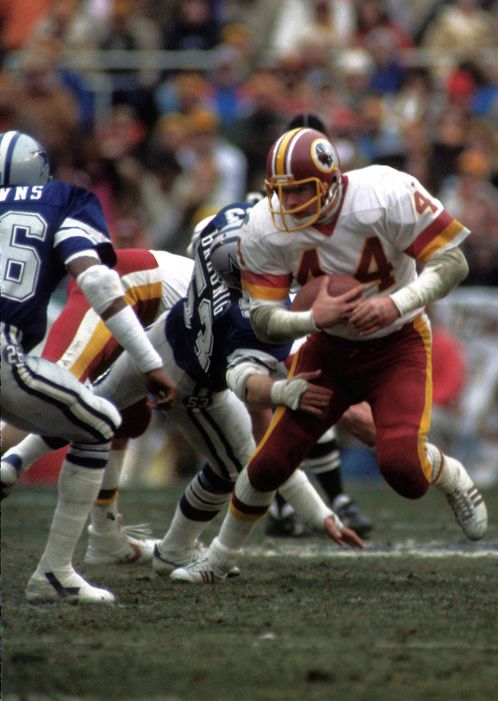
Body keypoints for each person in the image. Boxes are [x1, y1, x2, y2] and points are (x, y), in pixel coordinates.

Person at [171, 125, 488, 584]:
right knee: (270, 463)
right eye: (282, 192)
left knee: (403, 471)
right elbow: (262, 319)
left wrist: (393, 304)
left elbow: (454, 262)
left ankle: (449, 473)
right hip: (328, 351)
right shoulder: (265, 224)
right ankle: (218, 561)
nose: (290, 203)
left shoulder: (384, 192)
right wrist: (311, 320)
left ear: (331, 180)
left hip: (398, 343)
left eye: (301, 190)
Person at [88, 200, 363, 579]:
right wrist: (286, 389)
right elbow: (247, 387)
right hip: (194, 384)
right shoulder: (252, 318)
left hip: (160, 338)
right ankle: (175, 549)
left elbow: (202, 235)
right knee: (236, 466)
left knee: (89, 410)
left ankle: (15, 461)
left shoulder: (225, 222)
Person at [0, 130, 177, 603]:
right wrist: (148, 361)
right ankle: (54, 571)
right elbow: (97, 279)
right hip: (4, 350)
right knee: (99, 423)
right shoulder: (63, 199)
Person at [1, 246, 194, 565]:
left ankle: (105, 536)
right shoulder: (250, 307)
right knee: (59, 391)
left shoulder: (240, 297)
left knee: (124, 416)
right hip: (117, 286)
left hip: (141, 307)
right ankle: (11, 460)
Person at [265, 111, 374, 539]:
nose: (294, 199)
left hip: (323, 311)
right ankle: (286, 500)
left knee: (318, 398)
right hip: (280, 311)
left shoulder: (360, 201)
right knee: (313, 395)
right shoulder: (271, 211)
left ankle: (312, 498)